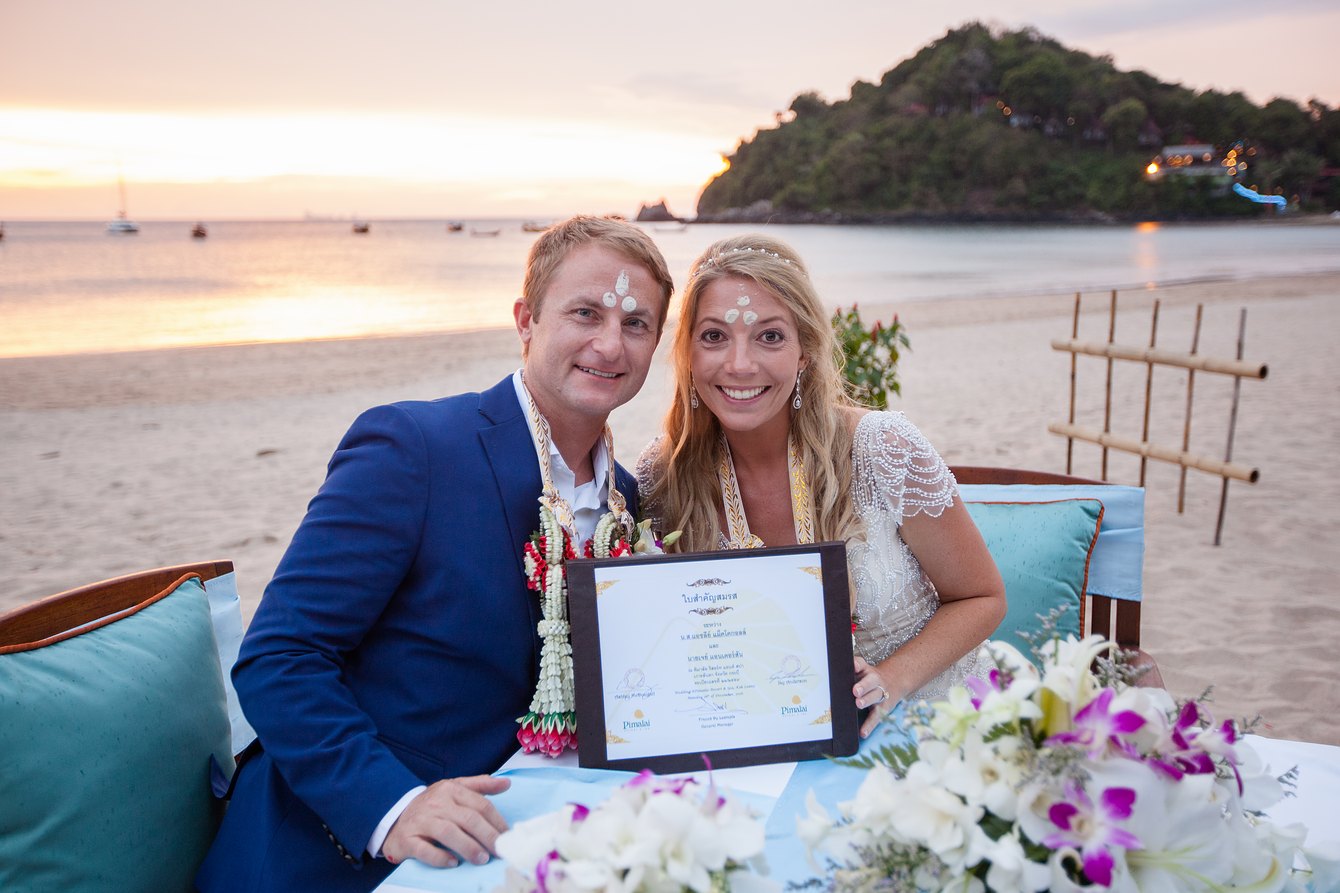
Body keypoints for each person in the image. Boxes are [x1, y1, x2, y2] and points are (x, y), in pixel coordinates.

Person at [196, 216, 674, 892]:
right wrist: (390, 806)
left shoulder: (625, 500)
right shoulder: (415, 447)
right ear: (527, 320)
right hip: (345, 853)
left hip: (532, 840)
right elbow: (279, 658)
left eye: (636, 323)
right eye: (585, 313)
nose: (609, 342)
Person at [636, 234, 1004, 740]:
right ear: (688, 354)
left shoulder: (883, 449)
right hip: (767, 736)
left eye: (770, 336)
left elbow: (982, 597)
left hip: (935, 719)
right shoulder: (666, 473)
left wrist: (890, 680)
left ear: (805, 351)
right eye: (715, 336)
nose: (740, 364)